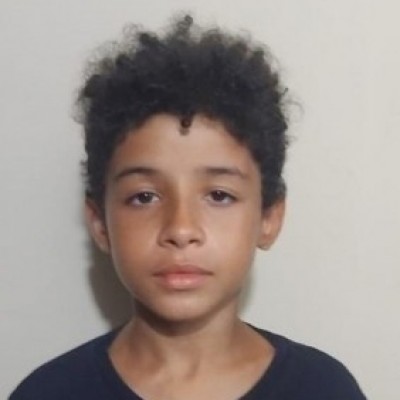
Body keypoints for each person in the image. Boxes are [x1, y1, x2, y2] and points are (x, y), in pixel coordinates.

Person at [10, 14, 367, 400]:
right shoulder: (48, 393)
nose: (181, 229)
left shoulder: (323, 389)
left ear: (269, 217)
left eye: (219, 196)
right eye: (144, 197)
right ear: (99, 224)